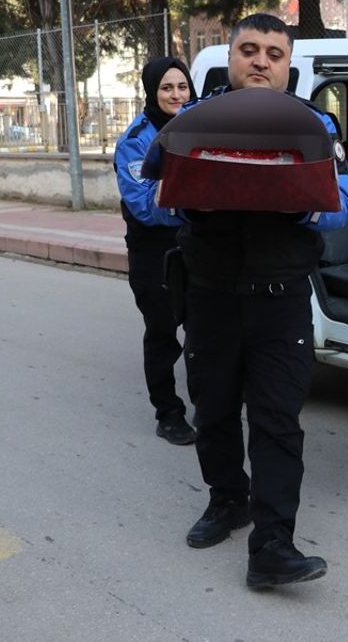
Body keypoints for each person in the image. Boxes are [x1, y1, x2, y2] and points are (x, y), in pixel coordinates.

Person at [142, 13, 348, 588]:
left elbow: (341, 208)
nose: (261, 60)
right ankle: (227, 501)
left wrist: (298, 202)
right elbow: (153, 197)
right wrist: (187, 192)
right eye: (250, 49)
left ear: (289, 66)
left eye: (274, 53)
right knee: (212, 410)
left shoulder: (314, 127)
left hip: (281, 301)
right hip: (209, 296)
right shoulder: (191, 122)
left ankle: (273, 544)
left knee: (278, 421)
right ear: (230, 56)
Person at [113, 56, 198, 446]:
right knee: (163, 335)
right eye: (167, 88)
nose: (176, 95)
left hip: (200, 249)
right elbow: (146, 208)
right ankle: (169, 413)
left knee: (205, 334)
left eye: (182, 86)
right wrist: (200, 201)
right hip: (156, 256)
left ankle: (209, 406)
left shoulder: (204, 126)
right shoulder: (135, 141)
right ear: (152, 92)